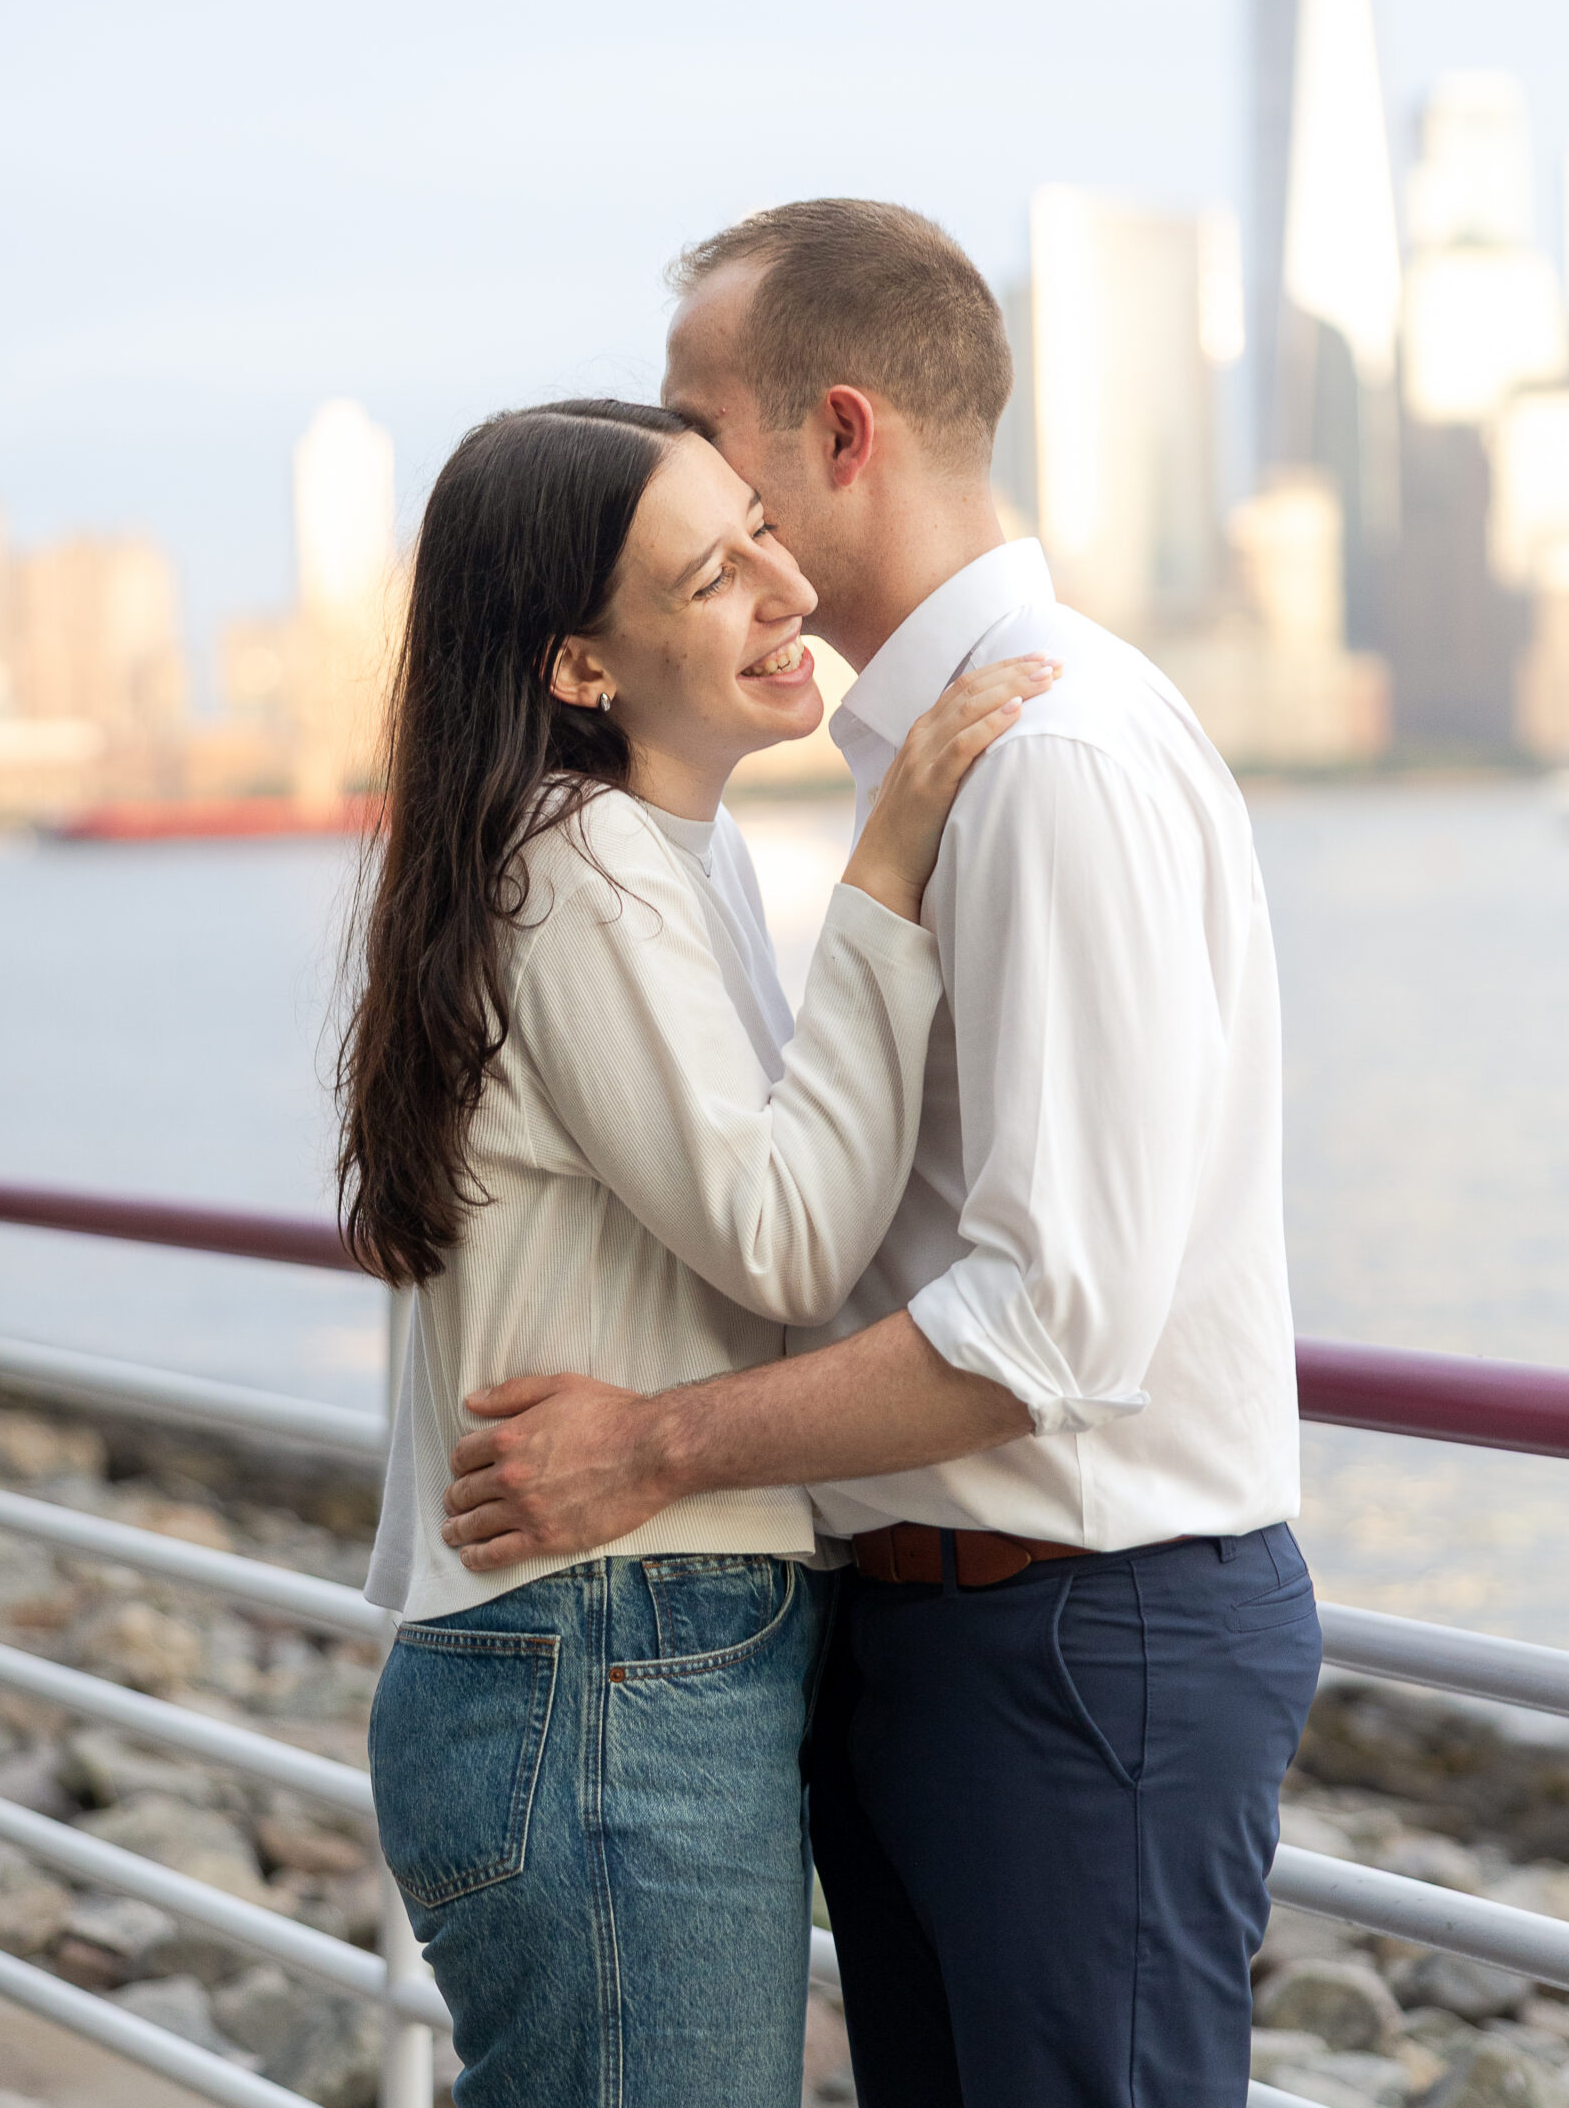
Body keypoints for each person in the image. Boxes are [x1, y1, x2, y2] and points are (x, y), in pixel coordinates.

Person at [440, 203, 1323, 2108]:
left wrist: (654, 1446)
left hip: (1076, 1639)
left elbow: (1054, 1320)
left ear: (838, 435)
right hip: (934, 1631)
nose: (681, 471)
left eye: (703, 425)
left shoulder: (1047, 758)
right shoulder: (900, 770)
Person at [339, 394, 1056, 2108]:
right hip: (607, 1653)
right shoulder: (581, 865)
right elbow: (786, 1237)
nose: (783, 591)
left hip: (607, 1649)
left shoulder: (652, 850)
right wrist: (886, 876)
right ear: (581, 667)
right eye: (709, 577)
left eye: (761, 535)